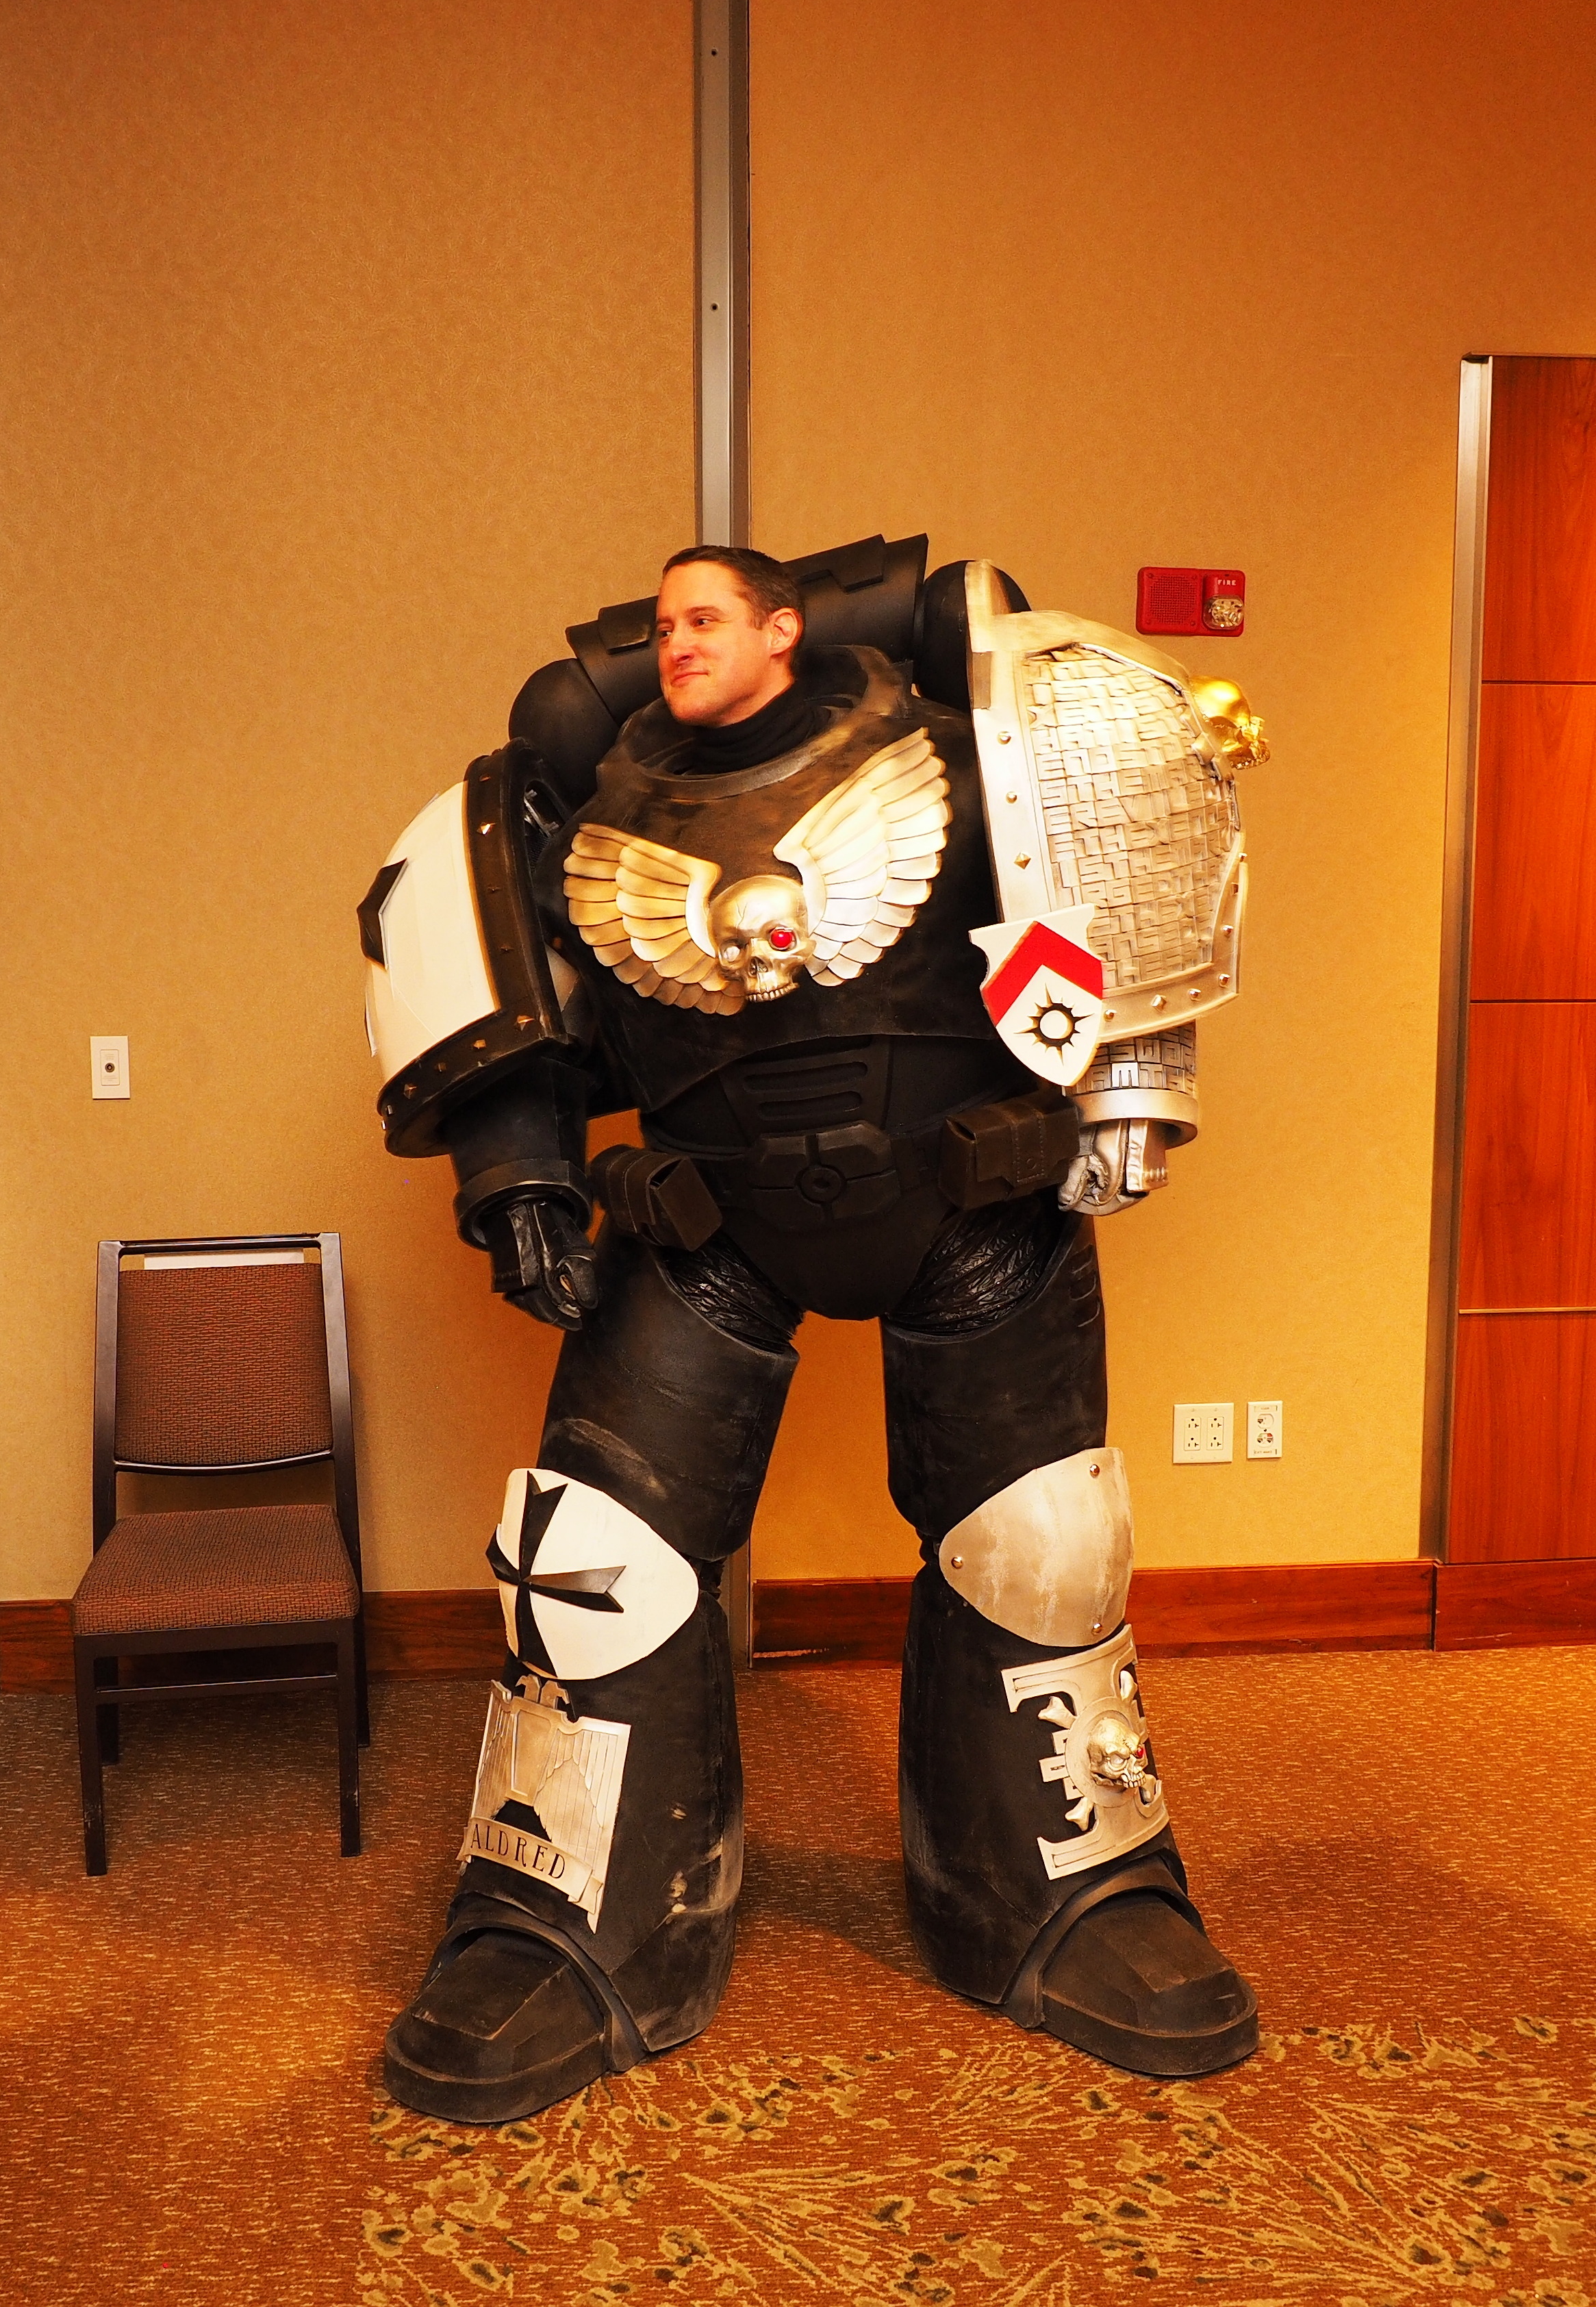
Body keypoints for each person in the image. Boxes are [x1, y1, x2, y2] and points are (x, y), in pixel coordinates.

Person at [357, 546, 1261, 2123]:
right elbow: (510, 1010)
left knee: (1044, 1548)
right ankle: (566, 1912)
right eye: (660, 624)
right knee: (585, 1566)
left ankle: (1070, 1881)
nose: (672, 642)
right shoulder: (575, 801)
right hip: (705, 1225)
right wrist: (516, 1180)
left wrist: (1131, 1088)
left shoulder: (980, 745)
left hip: (973, 1206)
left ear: (782, 627)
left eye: (703, 616)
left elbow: (1106, 889)